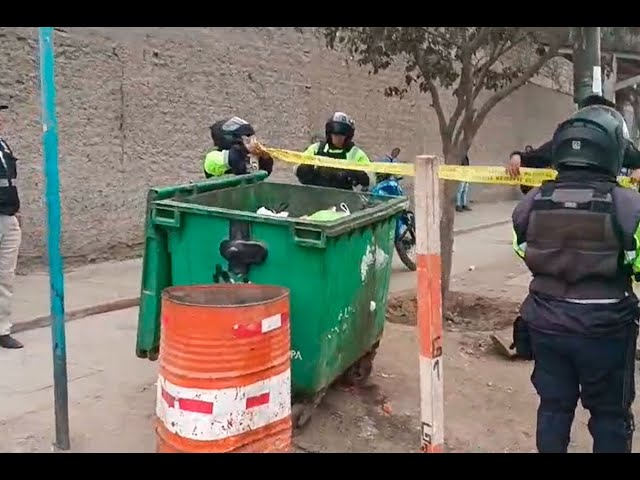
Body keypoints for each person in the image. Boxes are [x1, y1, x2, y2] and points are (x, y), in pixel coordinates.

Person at [511, 103, 640, 453]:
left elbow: (523, 249)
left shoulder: (533, 201)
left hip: (546, 325)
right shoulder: (628, 206)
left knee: (553, 409)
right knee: (611, 416)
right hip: (606, 328)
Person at [506, 94, 640, 193]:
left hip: (604, 204)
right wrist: (518, 158)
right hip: (566, 203)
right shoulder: (566, 141)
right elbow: (535, 158)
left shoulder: (615, 142)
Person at [295, 112, 373, 190]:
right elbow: (296, 167)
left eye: (341, 134)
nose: (338, 138)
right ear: (329, 134)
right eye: (335, 134)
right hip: (314, 195)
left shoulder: (356, 154)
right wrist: (303, 169)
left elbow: (371, 179)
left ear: (348, 136)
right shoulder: (316, 149)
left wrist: (358, 174)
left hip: (345, 199)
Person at [0, 104, 23, 349]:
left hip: (8, 217)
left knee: (5, 277)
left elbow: (10, 182)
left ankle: (2, 329)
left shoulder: (3, 145)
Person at [203, 116, 273, 178]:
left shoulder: (247, 156)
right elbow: (234, 160)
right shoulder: (212, 157)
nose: (255, 143)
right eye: (247, 140)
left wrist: (265, 159)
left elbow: (263, 174)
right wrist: (243, 150)